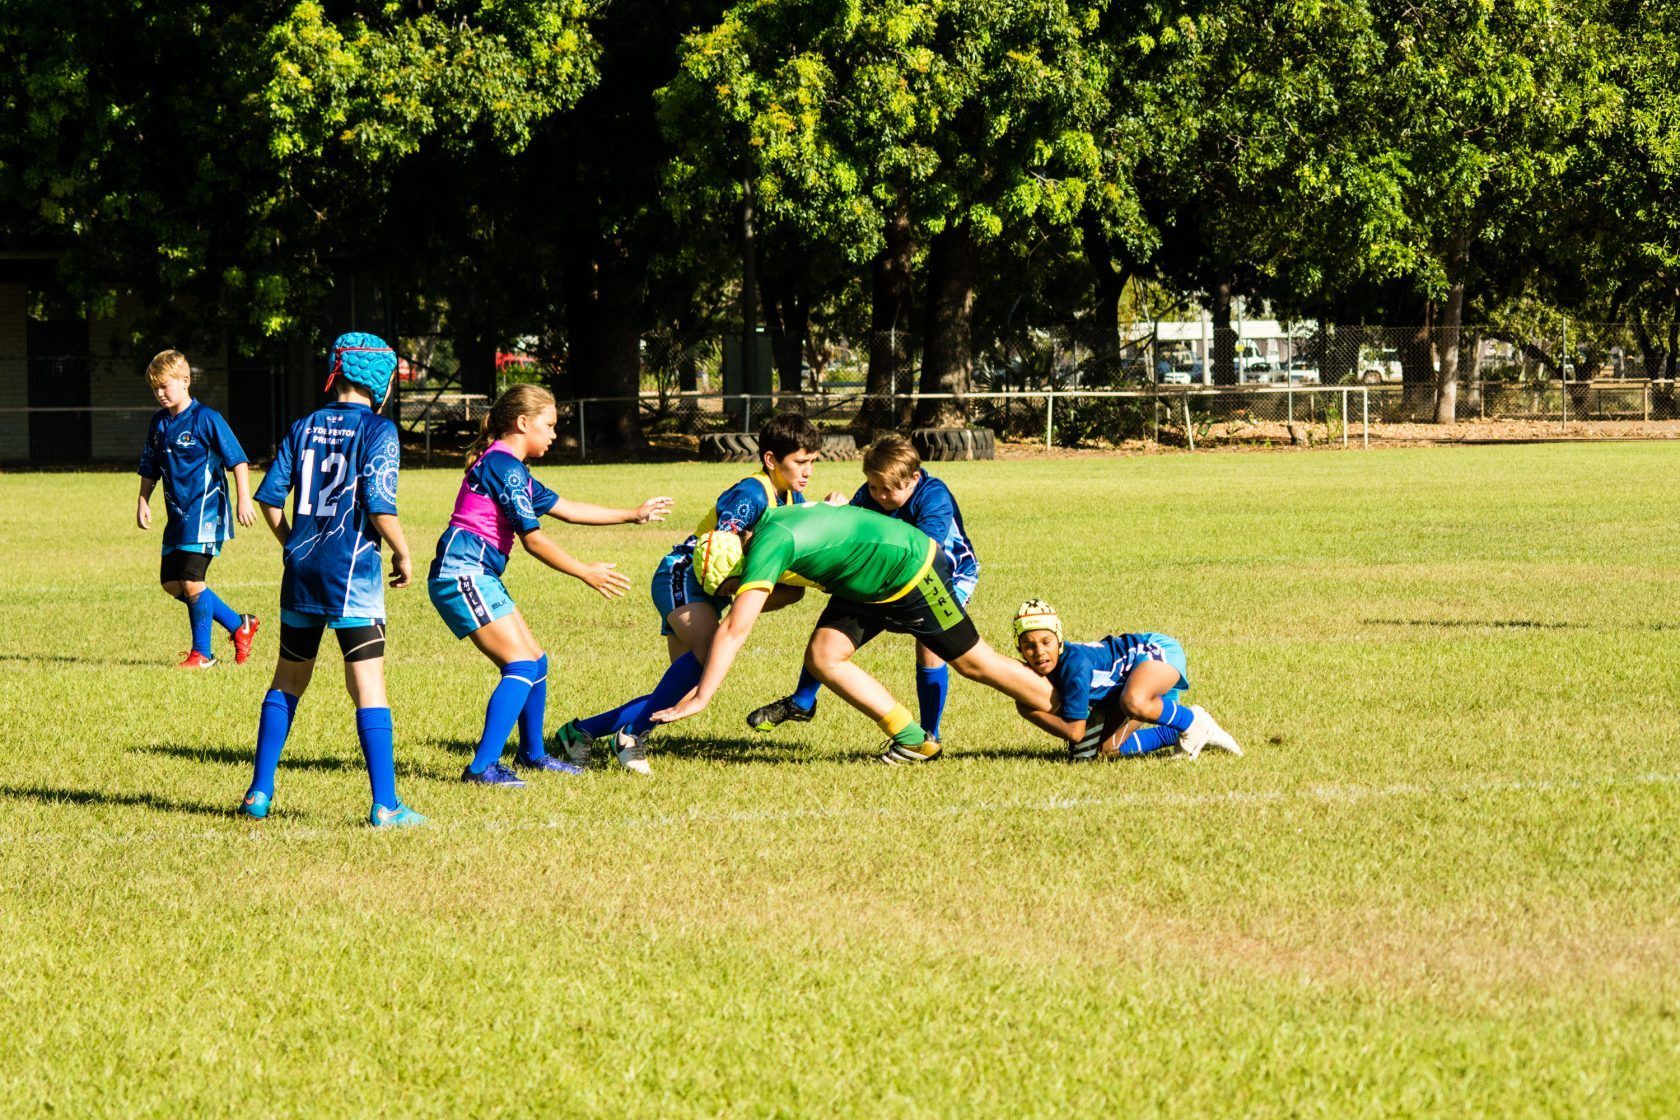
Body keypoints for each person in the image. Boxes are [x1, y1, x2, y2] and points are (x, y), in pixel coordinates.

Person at [652, 503, 1054, 764]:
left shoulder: (767, 549)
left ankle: (1076, 712)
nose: (729, 598)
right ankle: (914, 740)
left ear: (739, 570)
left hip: (909, 567)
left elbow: (736, 628)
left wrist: (702, 697)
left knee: (973, 662)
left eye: (728, 590)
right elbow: (789, 594)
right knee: (824, 656)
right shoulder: (762, 530)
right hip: (864, 578)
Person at [554, 411, 829, 774]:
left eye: (812, 461)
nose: (808, 470)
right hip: (683, 574)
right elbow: (721, 543)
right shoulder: (751, 492)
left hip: (711, 588)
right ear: (770, 460)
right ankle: (632, 736)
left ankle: (580, 732)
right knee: (708, 655)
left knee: (684, 690)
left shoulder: (790, 496)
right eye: (800, 462)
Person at [430, 383, 672, 787]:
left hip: (478, 573)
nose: (555, 433)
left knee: (536, 663)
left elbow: (569, 509)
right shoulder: (503, 467)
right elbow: (534, 539)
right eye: (550, 425)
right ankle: (481, 768)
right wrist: (585, 571)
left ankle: (532, 755)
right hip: (462, 573)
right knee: (520, 665)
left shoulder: (513, 469)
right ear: (523, 423)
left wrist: (633, 514)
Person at [240, 332, 424, 827]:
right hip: (353, 576)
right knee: (368, 683)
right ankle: (386, 804)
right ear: (378, 381)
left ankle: (259, 792)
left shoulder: (303, 426)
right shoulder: (379, 431)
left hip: (301, 574)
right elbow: (380, 505)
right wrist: (405, 552)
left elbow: (269, 499)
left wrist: (295, 546)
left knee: (288, 678)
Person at [747, 433, 979, 745]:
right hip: (884, 571)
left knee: (930, 648)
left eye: (889, 490)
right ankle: (802, 702)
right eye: (873, 487)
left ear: (913, 478)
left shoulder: (932, 494)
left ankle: (929, 735)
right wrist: (840, 511)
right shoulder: (870, 493)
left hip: (943, 574)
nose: (880, 496)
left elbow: (927, 550)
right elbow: (850, 530)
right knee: (835, 623)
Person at [135, 349, 259, 668]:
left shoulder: (207, 419)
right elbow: (150, 465)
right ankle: (239, 625)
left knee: (192, 581)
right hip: (177, 518)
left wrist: (244, 498)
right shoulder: (159, 423)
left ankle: (203, 654)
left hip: (206, 514)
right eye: (155, 388)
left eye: (165, 386)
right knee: (171, 583)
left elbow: (239, 460)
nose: (160, 394)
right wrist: (143, 500)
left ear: (185, 381)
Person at [1009, 599, 1241, 761]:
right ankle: (1177, 731)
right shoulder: (1053, 668)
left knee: (1134, 701)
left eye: (1046, 642)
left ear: (1059, 640)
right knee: (1108, 750)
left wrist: (1028, 711)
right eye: (1029, 645)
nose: (1038, 652)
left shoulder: (1074, 665)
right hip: (1126, 684)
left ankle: (1194, 721)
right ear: (1020, 649)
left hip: (1152, 651)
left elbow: (1075, 732)